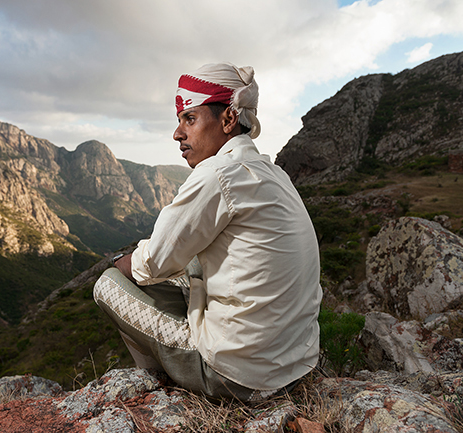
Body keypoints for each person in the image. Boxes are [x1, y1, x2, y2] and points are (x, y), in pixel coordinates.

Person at [93, 62, 322, 402]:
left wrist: (119, 262)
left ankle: (158, 387)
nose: (177, 133)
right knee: (190, 267)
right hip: (297, 364)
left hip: (239, 377)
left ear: (228, 119)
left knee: (108, 284)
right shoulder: (273, 173)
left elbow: (152, 263)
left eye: (190, 119)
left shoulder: (218, 173)